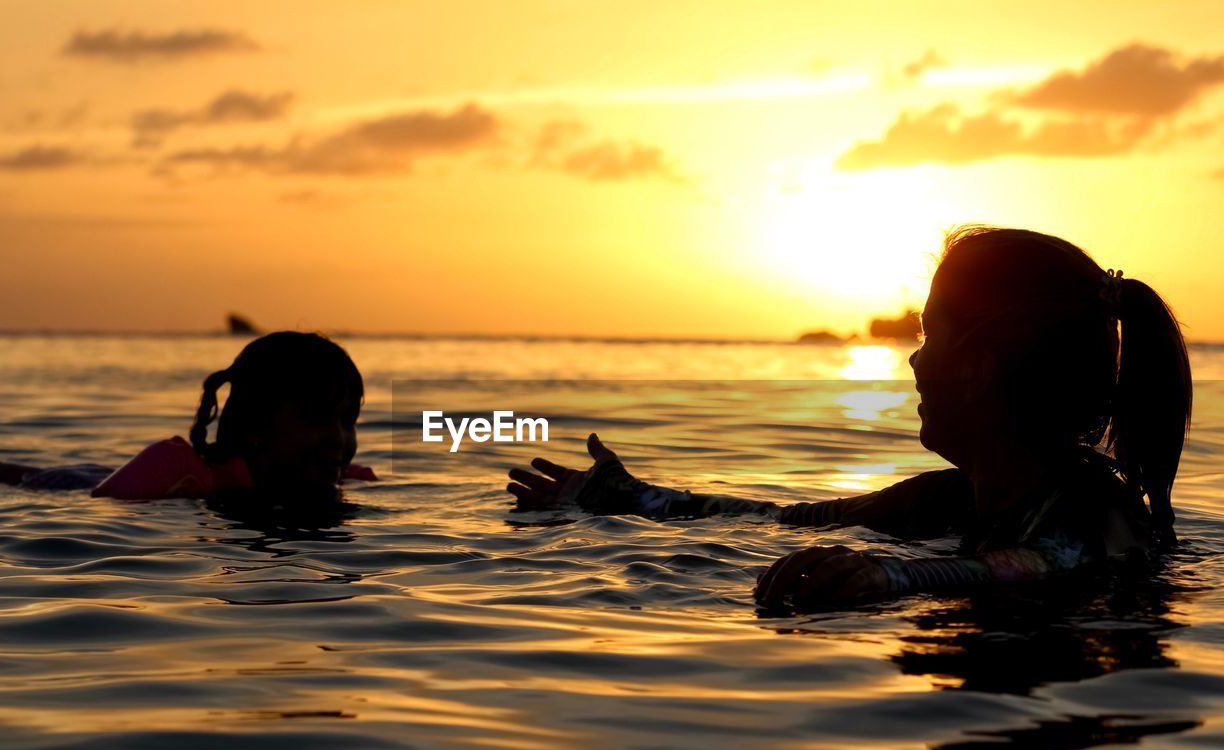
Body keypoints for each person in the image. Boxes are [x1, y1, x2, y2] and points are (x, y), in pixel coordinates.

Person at [507, 226, 1193, 607]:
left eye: (930, 337)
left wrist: (892, 576)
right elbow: (786, 518)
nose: (915, 363)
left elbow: (1036, 565)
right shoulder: (949, 500)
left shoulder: (1095, 514)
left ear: (980, 365)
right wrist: (626, 497)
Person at [0, 331, 376, 503]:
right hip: (60, 483)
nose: (338, 438)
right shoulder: (176, 471)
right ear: (255, 426)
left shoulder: (340, 477)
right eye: (318, 419)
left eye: (348, 420)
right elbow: (102, 504)